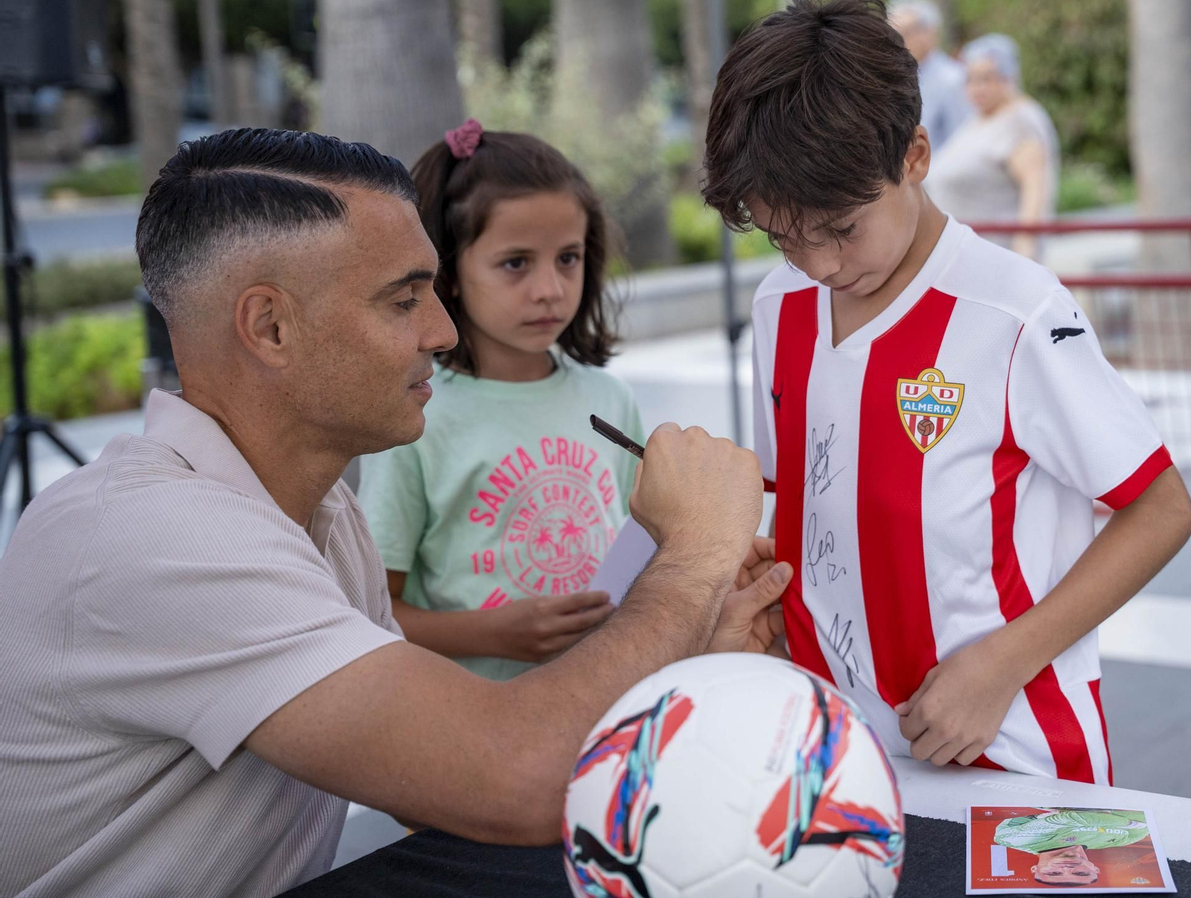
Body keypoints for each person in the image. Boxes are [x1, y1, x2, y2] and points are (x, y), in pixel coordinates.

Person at [0, 127, 789, 898]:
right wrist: (691, 559)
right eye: (405, 298)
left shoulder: (323, 515)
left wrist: (687, 643)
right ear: (270, 326)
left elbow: (429, 781)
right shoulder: (160, 540)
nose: (441, 330)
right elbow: (509, 778)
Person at [702, 0, 1191, 783]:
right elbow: (807, 503)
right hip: (839, 752)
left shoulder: (1016, 312)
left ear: (915, 155)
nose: (820, 265)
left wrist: (1001, 664)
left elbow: (1162, 508)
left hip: (1016, 753)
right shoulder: (778, 306)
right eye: (785, 237)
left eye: (841, 229)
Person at [358, 121, 640, 679]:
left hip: (608, 706)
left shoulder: (611, 400)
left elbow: (648, 553)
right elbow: (373, 612)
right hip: (477, 726)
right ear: (450, 270)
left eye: (568, 258)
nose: (549, 289)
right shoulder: (414, 416)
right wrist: (492, 634)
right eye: (516, 263)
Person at [922, 33, 1060, 259]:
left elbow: (1035, 195)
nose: (977, 88)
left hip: (996, 260)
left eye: (987, 78)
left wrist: (1025, 256)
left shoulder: (1019, 121)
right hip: (962, 257)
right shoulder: (979, 119)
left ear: (1009, 78)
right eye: (970, 79)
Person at [888, 0, 973, 152]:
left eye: (907, 31)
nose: (898, 40)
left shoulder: (953, 79)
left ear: (930, 32)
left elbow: (963, 139)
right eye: (893, 33)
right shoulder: (891, 78)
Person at [992, 808, 1152, 886]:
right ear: (1094, 868)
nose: (1067, 868)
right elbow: (1144, 823)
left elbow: (1071, 817)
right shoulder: (1119, 841)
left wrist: (1123, 821)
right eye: (1080, 873)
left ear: (1034, 869)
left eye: (1054, 873)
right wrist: (1123, 820)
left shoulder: (1012, 839)